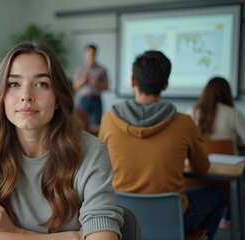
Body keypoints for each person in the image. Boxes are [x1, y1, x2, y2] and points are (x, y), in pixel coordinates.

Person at [0, 41, 123, 240]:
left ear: (58, 98)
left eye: (41, 84)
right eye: (14, 84)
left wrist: (15, 232)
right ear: (1, 95)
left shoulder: (92, 151)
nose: (26, 96)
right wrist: (71, 237)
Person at [98, 50, 226, 240]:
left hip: (122, 221)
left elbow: (102, 166)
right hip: (173, 220)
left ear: (133, 81)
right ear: (165, 85)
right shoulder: (185, 123)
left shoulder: (108, 120)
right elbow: (203, 167)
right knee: (217, 194)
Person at [187, 77, 245, 229]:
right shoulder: (233, 114)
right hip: (227, 178)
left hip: (195, 178)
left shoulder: (191, 113)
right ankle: (228, 216)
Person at [187, 77, 245, 155]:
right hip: (229, 165)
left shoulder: (191, 112)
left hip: (199, 165)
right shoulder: (234, 114)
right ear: (227, 93)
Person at [73, 44, 108, 127]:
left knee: (97, 124)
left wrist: (97, 83)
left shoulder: (102, 69)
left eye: (93, 54)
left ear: (96, 54)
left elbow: (106, 87)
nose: (91, 56)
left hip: (96, 100)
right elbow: (75, 86)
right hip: (84, 99)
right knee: (81, 124)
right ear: (85, 54)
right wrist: (83, 80)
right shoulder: (80, 69)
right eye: (89, 53)